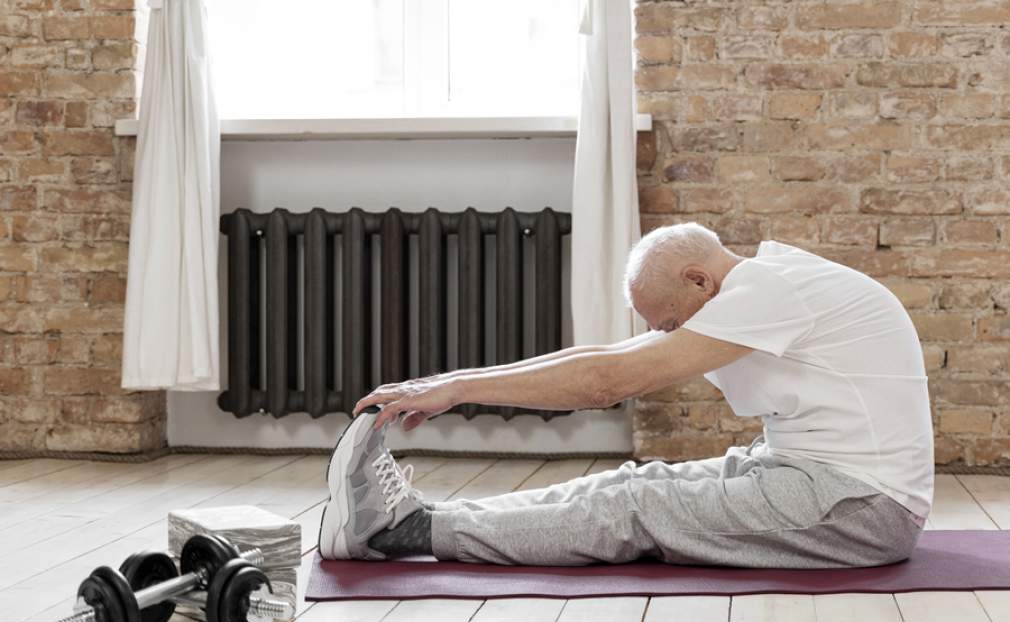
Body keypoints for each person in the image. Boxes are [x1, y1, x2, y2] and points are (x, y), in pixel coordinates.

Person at [317, 222, 932, 568]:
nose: (668, 334)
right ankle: (428, 520)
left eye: (670, 323)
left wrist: (454, 390)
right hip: (810, 478)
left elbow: (606, 383)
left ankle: (408, 536)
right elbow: (602, 357)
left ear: (699, 280)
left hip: (859, 507)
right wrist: (448, 384)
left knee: (634, 506)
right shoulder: (762, 282)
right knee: (628, 483)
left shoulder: (771, 292)